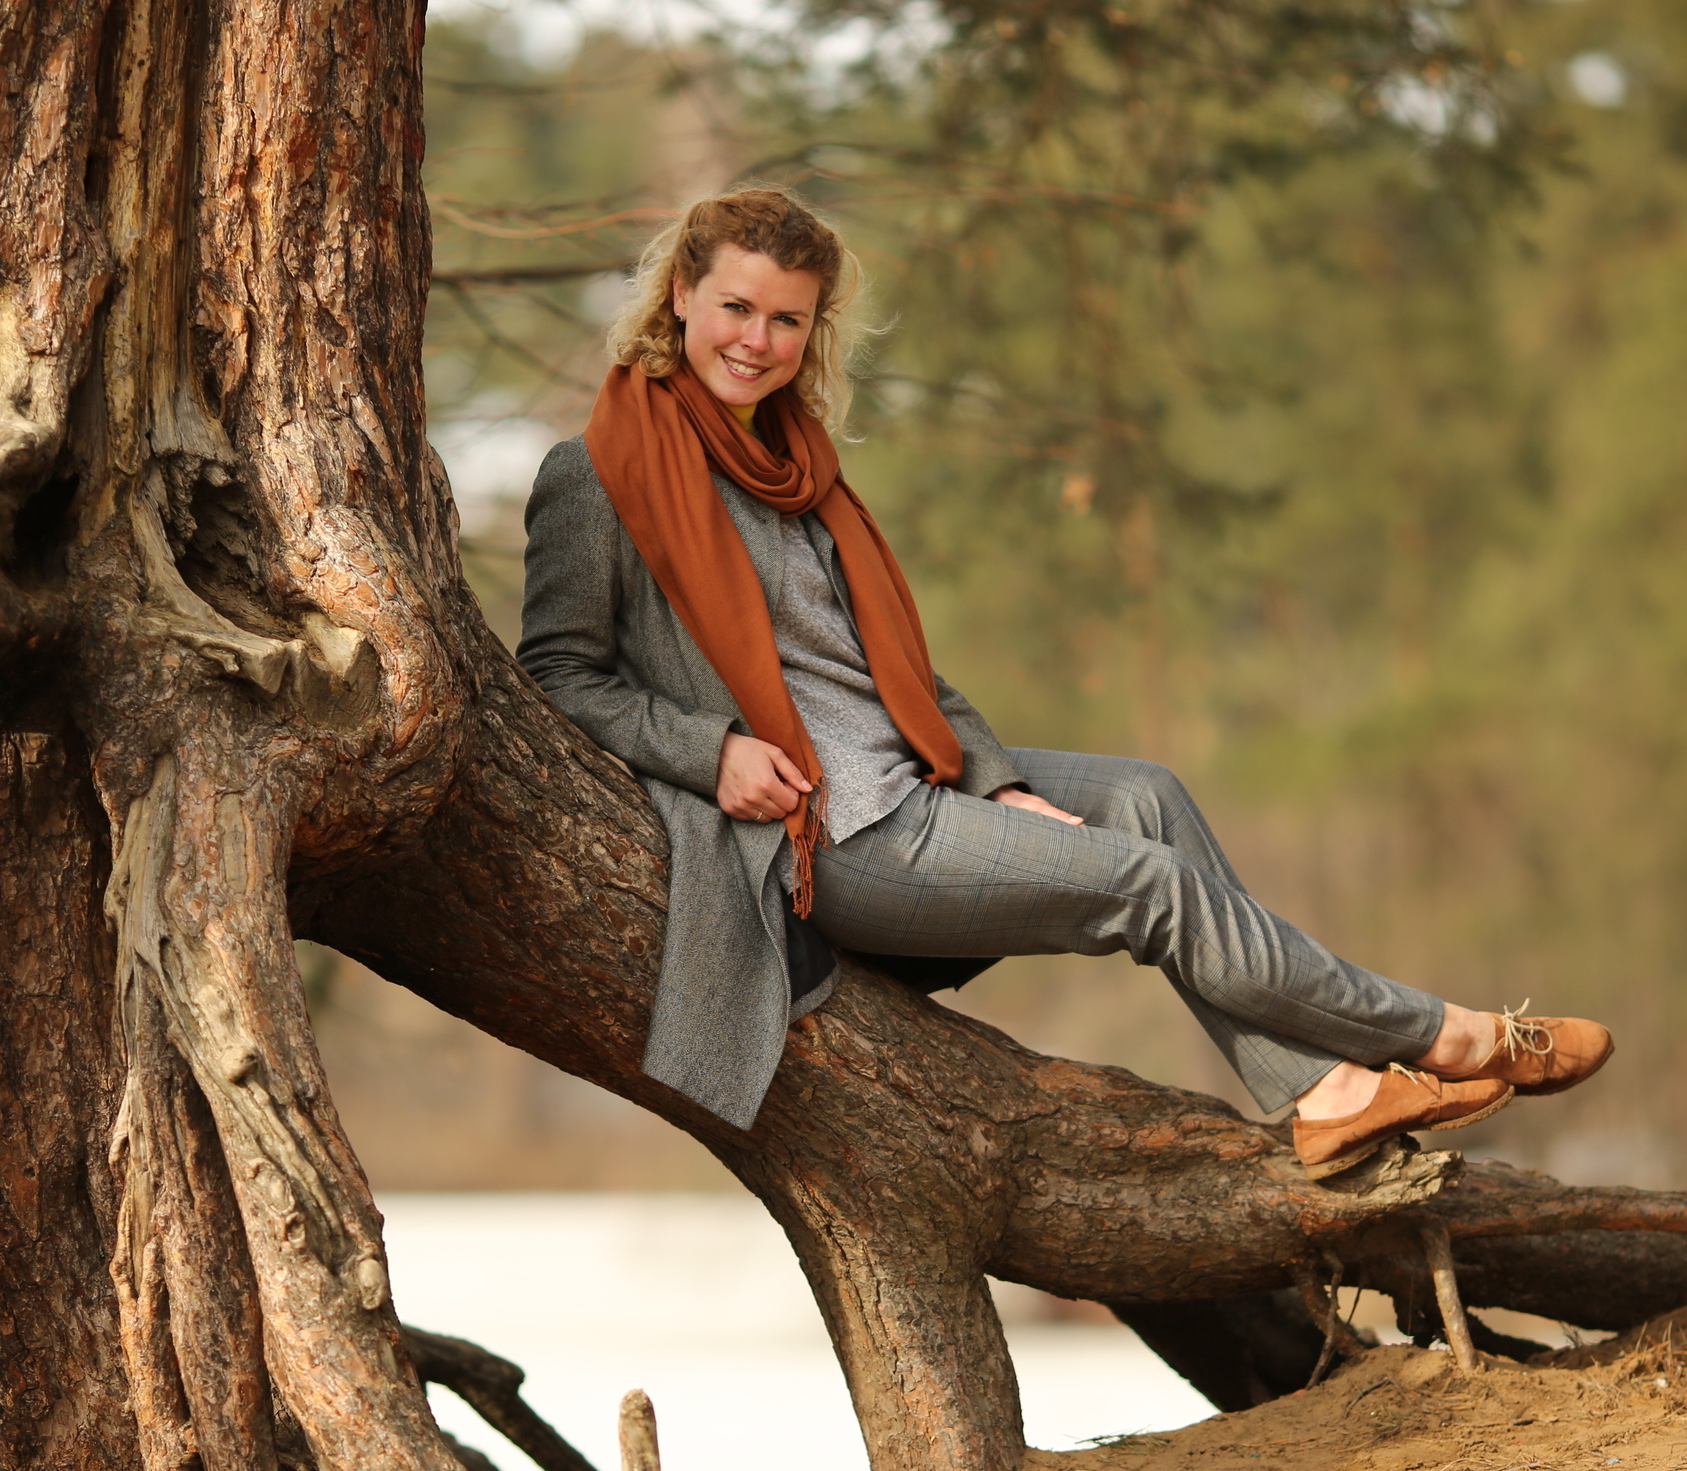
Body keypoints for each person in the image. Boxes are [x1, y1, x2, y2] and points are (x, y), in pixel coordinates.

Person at [517, 186, 1612, 1173]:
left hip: (916, 783)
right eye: (736, 309)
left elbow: (889, 674)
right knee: (1150, 882)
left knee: (1148, 795)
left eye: (787, 319)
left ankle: (1323, 1094)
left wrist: (992, 782)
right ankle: (1442, 1034)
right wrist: (709, 754)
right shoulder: (598, 474)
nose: (757, 341)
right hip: (827, 837)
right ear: (680, 297)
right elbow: (559, 675)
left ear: (815, 330)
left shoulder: (798, 467)